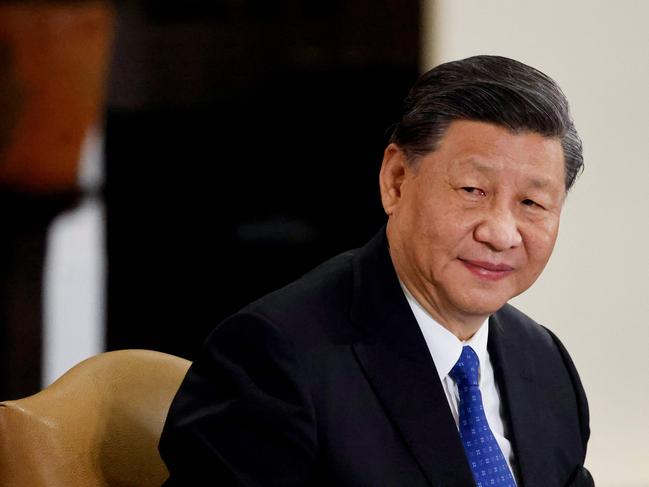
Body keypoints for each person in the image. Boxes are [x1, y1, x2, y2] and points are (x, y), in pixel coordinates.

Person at [159, 55, 594, 487]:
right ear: (397, 180)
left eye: (532, 204)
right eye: (473, 190)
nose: (501, 233)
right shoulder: (273, 359)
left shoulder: (544, 363)